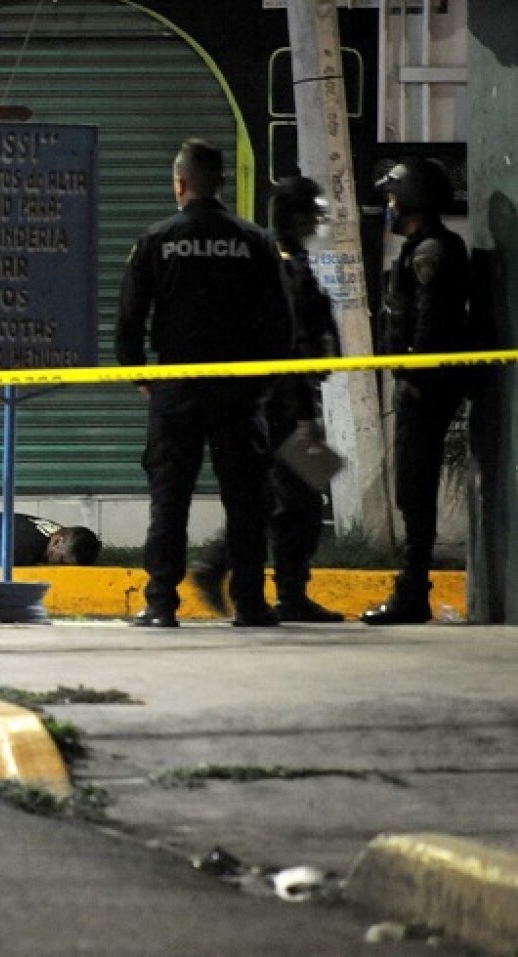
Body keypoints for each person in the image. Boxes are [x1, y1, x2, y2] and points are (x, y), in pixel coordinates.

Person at [115, 138, 294, 628]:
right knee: (245, 498)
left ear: (179, 183)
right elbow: (282, 323)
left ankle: (159, 604)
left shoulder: (156, 239)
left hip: (177, 388)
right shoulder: (255, 241)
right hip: (239, 390)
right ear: (220, 182)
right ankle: (251, 603)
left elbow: (129, 321)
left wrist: (140, 376)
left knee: (170, 499)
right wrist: (263, 383)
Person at [190, 176, 346, 623]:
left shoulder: (283, 261)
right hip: (281, 403)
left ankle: (252, 578)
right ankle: (258, 580)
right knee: (292, 500)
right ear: (294, 217)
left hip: (281, 399)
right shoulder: (283, 267)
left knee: (281, 499)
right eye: (309, 215)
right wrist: (300, 413)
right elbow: (290, 344)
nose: (315, 222)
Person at [362, 158, 474, 625]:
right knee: (412, 486)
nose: (389, 205)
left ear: (410, 201)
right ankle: (412, 589)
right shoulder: (421, 247)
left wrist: (412, 378)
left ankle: (412, 592)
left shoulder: (431, 250)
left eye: (393, 197)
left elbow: (430, 320)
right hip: (418, 386)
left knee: (415, 485)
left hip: (423, 389)